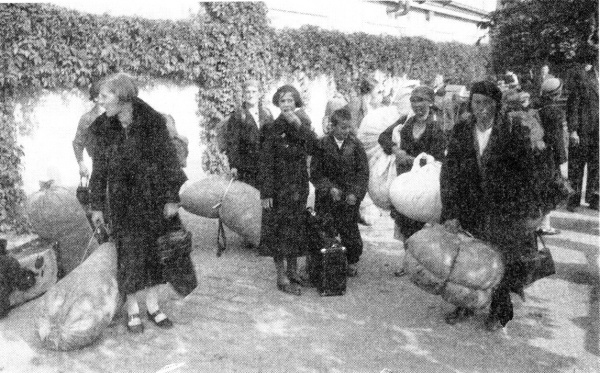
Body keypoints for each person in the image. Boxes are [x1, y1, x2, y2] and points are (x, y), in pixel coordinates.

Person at [89, 73, 188, 333]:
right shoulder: (103, 127)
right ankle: (133, 309)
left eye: (104, 96)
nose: (99, 101)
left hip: (153, 199)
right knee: (129, 255)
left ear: (121, 96)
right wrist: (97, 205)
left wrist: (172, 198)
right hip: (121, 202)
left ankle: (154, 306)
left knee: (155, 252)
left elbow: (169, 161)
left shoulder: (153, 122)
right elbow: (98, 170)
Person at [440, 81, 541, 331]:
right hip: (470, 206)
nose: (481, 108)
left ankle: (499, 310)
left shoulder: (511, 129)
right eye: (477, 102)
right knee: (466, 258)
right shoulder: (463, 129)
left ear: (497, 105)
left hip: (502, 208)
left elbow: (527, 171)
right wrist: (450, 211)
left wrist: (524, 209)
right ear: (470, 103)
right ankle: (465, 303)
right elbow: (449, 171)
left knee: (500, 260)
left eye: (487, 103)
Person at [258, 85, 320, 295]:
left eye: (290, 101)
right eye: (283, 101)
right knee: (278, 232)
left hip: (297, 187)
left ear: (296, 103)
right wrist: (265, 192)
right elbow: (265, 162)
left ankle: (293, 272)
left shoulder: (302, 125)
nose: (286, 105)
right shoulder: (270, 128)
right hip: (277, 189)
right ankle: (281, 275)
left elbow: (314, 148)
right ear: (278, 103)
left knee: (295, 229)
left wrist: (300, 126)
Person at [378, 86, 446, 275]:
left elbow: (440, 155)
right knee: (406, 220)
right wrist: (396, 150)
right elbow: (383, 137)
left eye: (422, 101)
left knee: (427, 221)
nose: (417, 105)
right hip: (407, 180)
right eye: (414, 101)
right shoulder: (406, 121)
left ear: (430, 102)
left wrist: (415, 160)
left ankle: (429, 266)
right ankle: (408, 262)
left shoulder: (437, 124)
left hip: (427, 181)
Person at [310, 107, 369, 277]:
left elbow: (363, 172)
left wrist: (355, 193)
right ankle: (325, 259)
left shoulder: (356, 145)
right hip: (327, 198)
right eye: (343, 127)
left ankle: (351, 261)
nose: (346, 131)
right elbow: (315, 172)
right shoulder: (322, 144)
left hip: (349, 198)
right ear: (333, 126)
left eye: (349, 127)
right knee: (325, 228)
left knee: (349, 229)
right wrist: (328, 188)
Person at [225, 79, 274, 189]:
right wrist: (233, 165)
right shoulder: (238, 116)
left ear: (259, 94)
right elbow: (233, 142)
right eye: (247, 92)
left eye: (254, 92)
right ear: (243, 94)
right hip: (247, 167)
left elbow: (273, 138)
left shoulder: (267, 113)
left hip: (267, 166)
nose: (250, 95)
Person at [566, 56, 599, 211]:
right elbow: (572, 105)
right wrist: (573, 130)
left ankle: (595, 199)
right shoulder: (582, 77)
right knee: (577, 165)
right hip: (583, 130)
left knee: (597, 165)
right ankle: (573, 198)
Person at [537, 78, 568, 234]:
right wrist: (562, 159)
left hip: (537, 153)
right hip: (550, 155)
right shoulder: (555, 112)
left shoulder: (536, 107)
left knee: (539, 187)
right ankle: (544, 225)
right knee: (549, 189)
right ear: (557, 94)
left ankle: (538, 223)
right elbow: (557, 138)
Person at [73, 80, 104, 178]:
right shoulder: (87, 119)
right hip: (99, 168)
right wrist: (81, 164)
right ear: (95, 98)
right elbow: (78, 142)